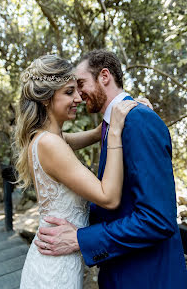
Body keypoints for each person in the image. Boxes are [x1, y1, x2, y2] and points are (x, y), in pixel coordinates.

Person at [35, 49, 187, 289]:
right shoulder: (111, 126)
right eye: (71, 90)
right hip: (120, 272)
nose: (79, 94)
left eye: (81, 83)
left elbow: (159, 219)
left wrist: (82, 239)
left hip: (147, 277)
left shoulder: (138, 120)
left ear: (104, 76)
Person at [14, 54, 137, 289]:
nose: (79, 98)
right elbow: (108, 198)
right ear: (47, 99)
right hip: (55, 271)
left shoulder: (45, 139)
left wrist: (113, 116)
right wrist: (114, 133)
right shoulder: (51, 145)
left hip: (55, 260)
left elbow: (84, 136)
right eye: (69, 92)